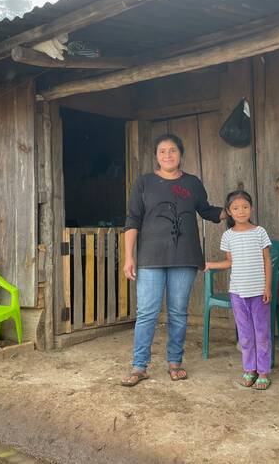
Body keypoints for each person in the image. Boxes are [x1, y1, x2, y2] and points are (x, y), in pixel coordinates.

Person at [121, 133, 224, 387]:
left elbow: (206, 210)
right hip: (150, 258)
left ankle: (174, 362)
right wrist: (128, 257)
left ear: (181, 154)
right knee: (147, 313)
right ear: (156, 156)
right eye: (162, 151)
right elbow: (133, 219)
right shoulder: (144, 183)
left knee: (178, 313)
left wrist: (234, 212)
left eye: (173, 151)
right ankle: (140, 366)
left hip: (184, 257)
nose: (168, 155)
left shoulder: (192, 183)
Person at [205, 190, 273, 390]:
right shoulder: (228, 236)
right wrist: (209, 264)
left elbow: (267, 260)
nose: (241, 211)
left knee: (261, 332)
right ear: (229, 212)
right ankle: (249, 368)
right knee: (244, 334)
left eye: (245, 207)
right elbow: (228, 263)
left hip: (259, 292)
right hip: (237, 293)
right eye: (236, 208)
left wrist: (267, 286)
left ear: (251, 208)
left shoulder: (260, 232)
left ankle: (263, 372)